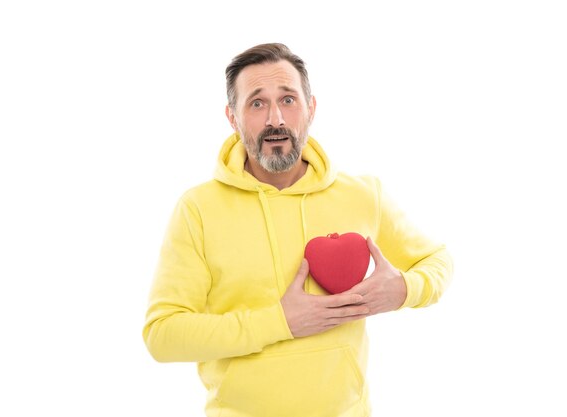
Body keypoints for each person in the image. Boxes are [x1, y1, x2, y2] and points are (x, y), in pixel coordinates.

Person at [143, 43, 453, 417]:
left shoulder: (363, 194)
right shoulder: (198, 209)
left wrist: (404, 289)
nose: (275, 119)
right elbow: (162, 335)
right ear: (232, 117)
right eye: (257, 103)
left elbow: (438, 260)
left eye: (288, 100)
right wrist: (279, 322)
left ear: (311, 109)